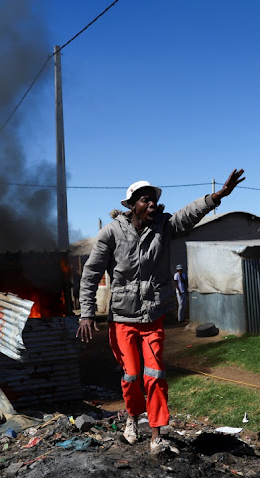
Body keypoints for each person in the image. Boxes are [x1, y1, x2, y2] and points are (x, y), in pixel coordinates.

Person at [77, 169, 245, 453]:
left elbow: (188, 214)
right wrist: (87, 312)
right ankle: (132, 419)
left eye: (154, 199)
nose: (152, 203)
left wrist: (216, 197)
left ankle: (156, 436)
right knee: (131, 377)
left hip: (153, 316)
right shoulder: (111, 233)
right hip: (122, 319)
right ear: (132, 205)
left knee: (155, 376)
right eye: (146, 200)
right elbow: (91, 273)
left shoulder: (164, 227)